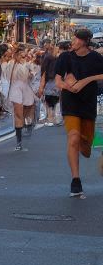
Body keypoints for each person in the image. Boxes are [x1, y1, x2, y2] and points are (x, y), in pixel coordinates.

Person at [53, 28, 103, 197]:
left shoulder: (96, 58)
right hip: (70, 102)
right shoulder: (65, 57)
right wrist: (68, 86)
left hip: (88, 103)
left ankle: (86, 143)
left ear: (83, 42)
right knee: (73, 137)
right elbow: (58, 79)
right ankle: (76, 180)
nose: (72, 42)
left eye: (74, 39)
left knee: (86, 147)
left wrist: (86, 80)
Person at [2, 44, 42, 150]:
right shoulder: (12, 64)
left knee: (26, 113)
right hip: (17, 90)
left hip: (25, 90)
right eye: (22, 56)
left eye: (25, 56)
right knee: (19, 115)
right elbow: (23, 76)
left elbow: (31, 76)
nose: (24, 58)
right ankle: (19, 142)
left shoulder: (24, 64)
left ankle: (26, 129)